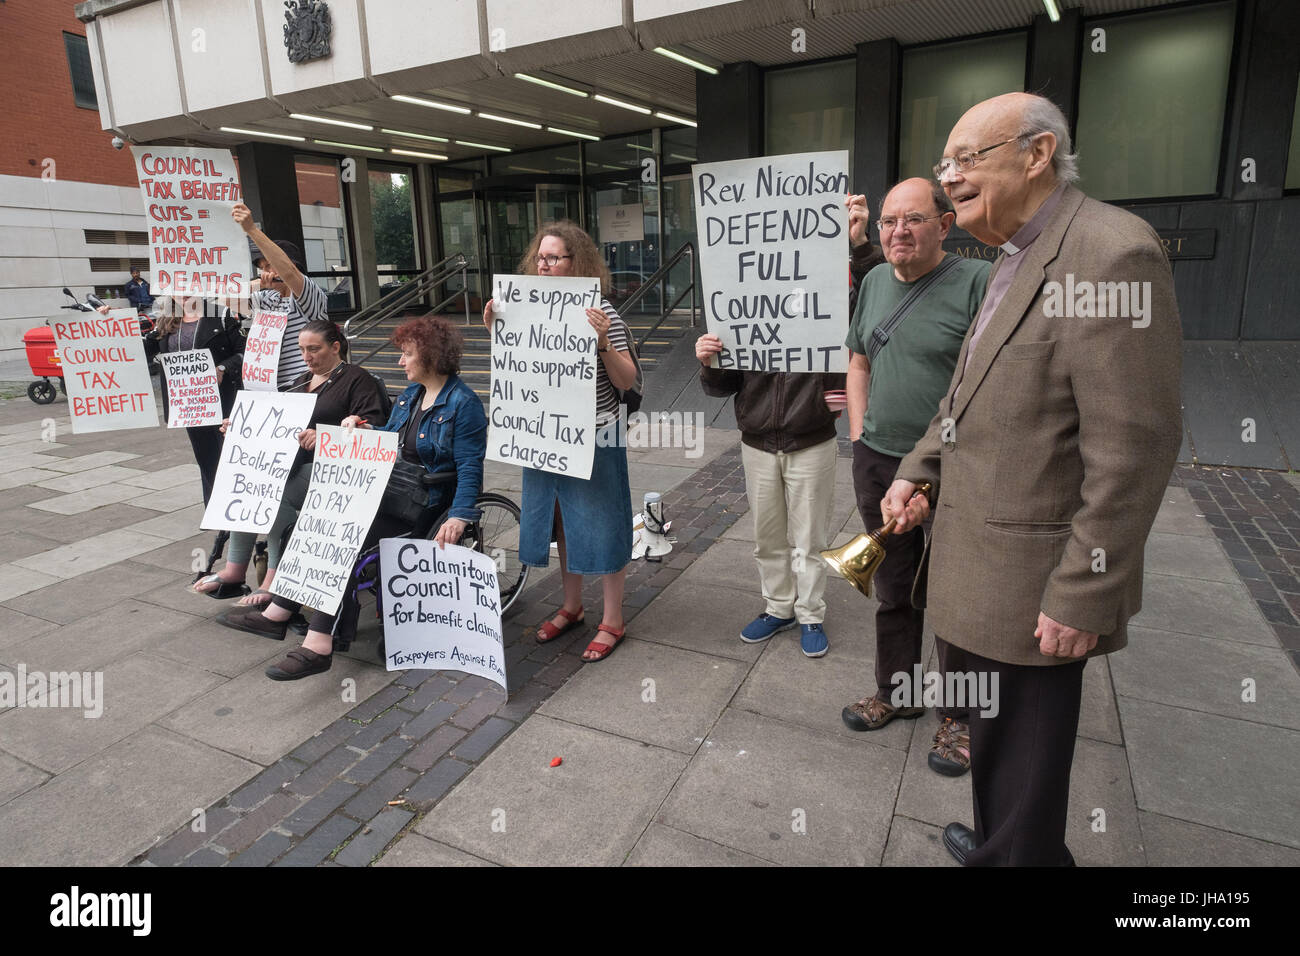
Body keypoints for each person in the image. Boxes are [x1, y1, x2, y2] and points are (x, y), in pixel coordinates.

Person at [882, 93, 1182, 865]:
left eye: (965, 159)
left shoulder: (1114, 252)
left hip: (1035, 583)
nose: (949, 178)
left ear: (1038, 153)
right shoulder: (1011, 258)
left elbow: (1134, 446)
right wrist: (918, 472)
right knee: (1001, 751)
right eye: (945, 163)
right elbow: (968, 399)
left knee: (1024, 755)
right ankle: (1006, 844)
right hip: (981, 568)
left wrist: (1084, 589)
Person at [221, 316, 488, 681]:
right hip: (388, 489)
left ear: (430, 357)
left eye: (407, 354)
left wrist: (460, 516)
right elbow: (390, 439)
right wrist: (363, 429)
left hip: (424, 500)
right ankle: (280, 609)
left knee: (345, 537)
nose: (400, 362)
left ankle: (318, 643)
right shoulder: (411, 396)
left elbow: (470, 467)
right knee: (315, 520)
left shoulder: (463, 404)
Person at [839, 178, 991, 780]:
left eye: (913, 220)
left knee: (956, 595)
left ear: (944, 224)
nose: (898, 231)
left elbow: (989, 380)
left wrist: (932, 472)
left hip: (953, 465)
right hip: (878, 460)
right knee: (893, 586)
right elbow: (857, 362)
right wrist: (859, 437)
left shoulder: (977, 283)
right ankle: (897, 692)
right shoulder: (875, 281)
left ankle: (960, 716)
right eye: (888, 222)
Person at [694, 194, 885, 658]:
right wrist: (709, 360)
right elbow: (721, 386)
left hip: (811, 436)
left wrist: (859, 243)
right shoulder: (741, 302)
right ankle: (778, 607)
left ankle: (810, 613)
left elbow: (875, 292)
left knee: (810, 536)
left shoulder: (829, 296)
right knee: (768, 536)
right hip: (757, 440)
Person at [482, 221, 638, 662]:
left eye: (554, 258)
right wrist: (497, 328)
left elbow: (626, 381)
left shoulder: (603, 313)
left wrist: (604, 340)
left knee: (603, 523)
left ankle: (613, 619)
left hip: (595, 437)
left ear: (578, 263)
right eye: (541, 258)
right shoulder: (523, 309)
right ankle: (571, 606)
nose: (544, 265)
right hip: (544, 436)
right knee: (563, 522)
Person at [194, 320, 388, 603]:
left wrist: (325, 436)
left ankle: (274, 577)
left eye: (314, 349)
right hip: (294, 464)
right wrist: (239, 426)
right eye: (301, 350)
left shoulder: (357, 378)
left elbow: (374, 426)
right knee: (250, 485)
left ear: (336, 347)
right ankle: (235, 569)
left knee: (275, 495)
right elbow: (274, 419)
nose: (307, 356)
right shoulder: (300, 381)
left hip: (332, 468)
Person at [150, 295, 246, 505]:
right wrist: (109, 318)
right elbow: (143, 349)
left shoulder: (220, 313)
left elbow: (244, 352)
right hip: (188, 405)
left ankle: (237, 507)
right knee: (206, 459)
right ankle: (215, 510)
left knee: (230, 457)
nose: (182, 291)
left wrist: (222, 368)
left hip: (223, 401)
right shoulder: (166, 317)